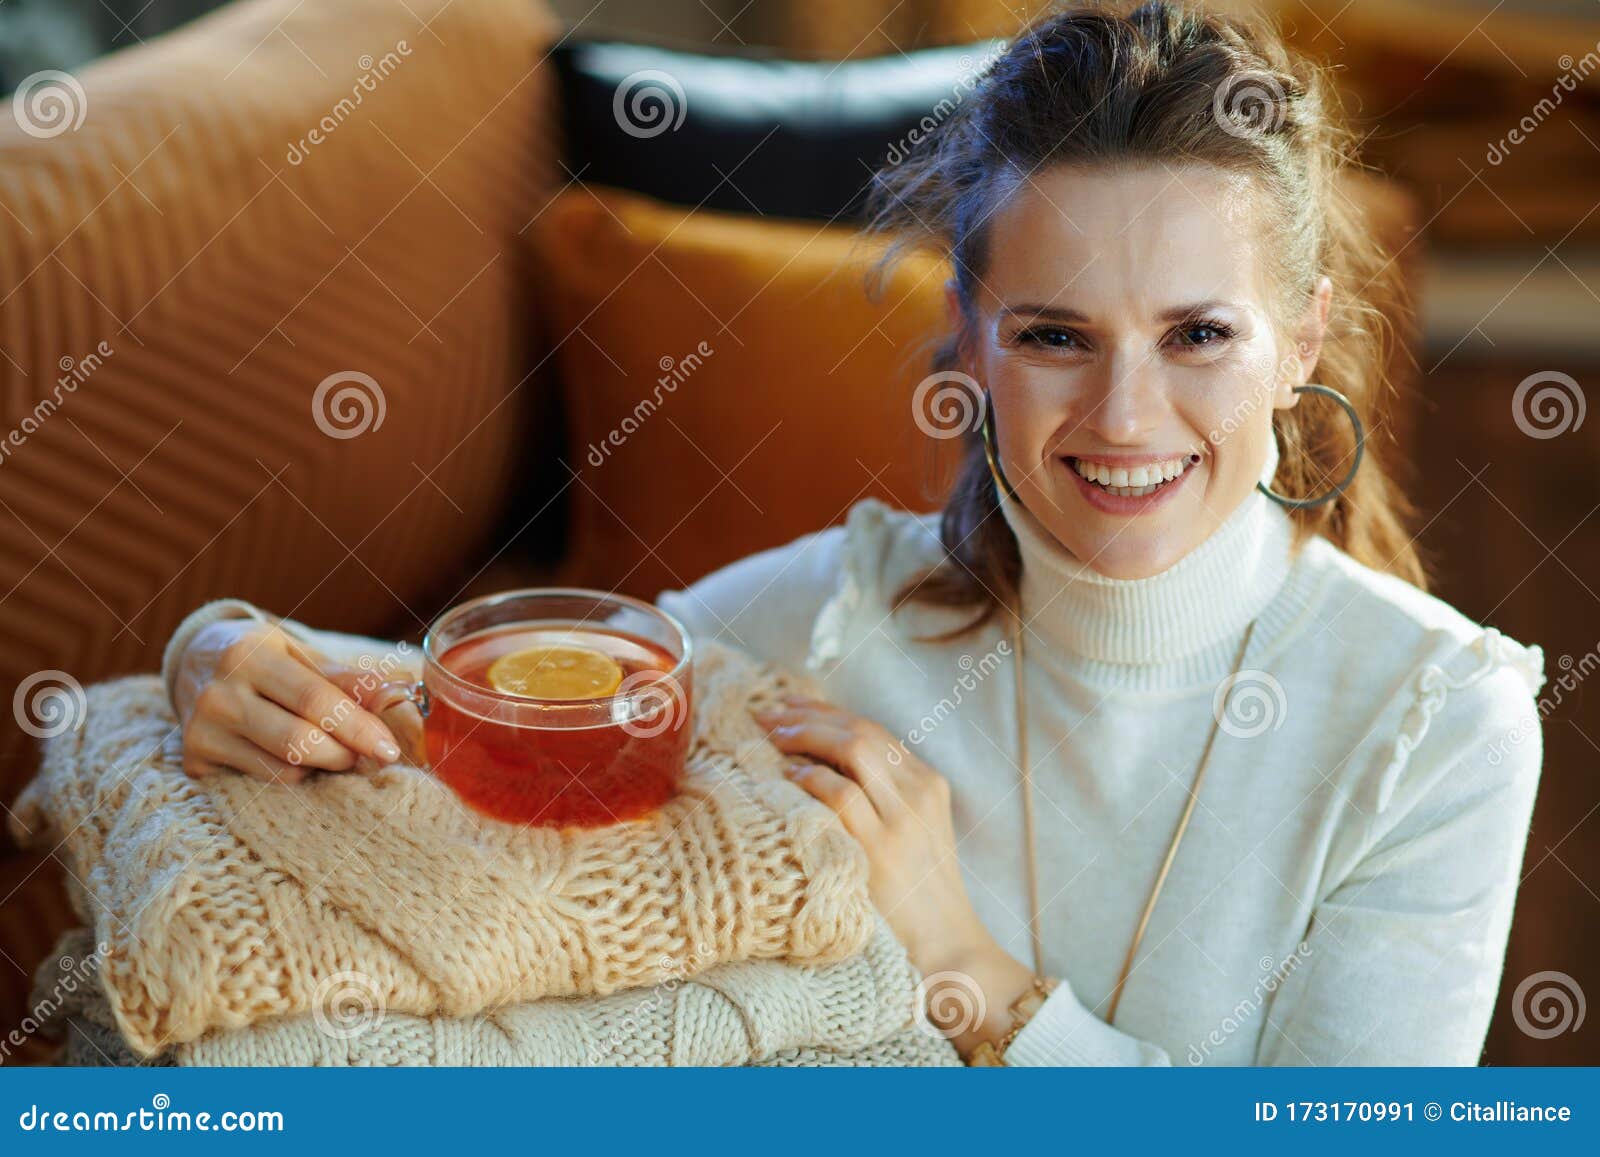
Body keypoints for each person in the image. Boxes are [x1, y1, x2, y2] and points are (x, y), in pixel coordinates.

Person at [165, 1, 1545, 1066]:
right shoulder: (823, 627)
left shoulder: (1441, 722)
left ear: (1300, 342)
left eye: (1199, 335)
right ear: (971, 342)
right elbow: (448, 708)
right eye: (1056, 335)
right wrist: (217, 656)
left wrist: (967, 964)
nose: (1127, 415)